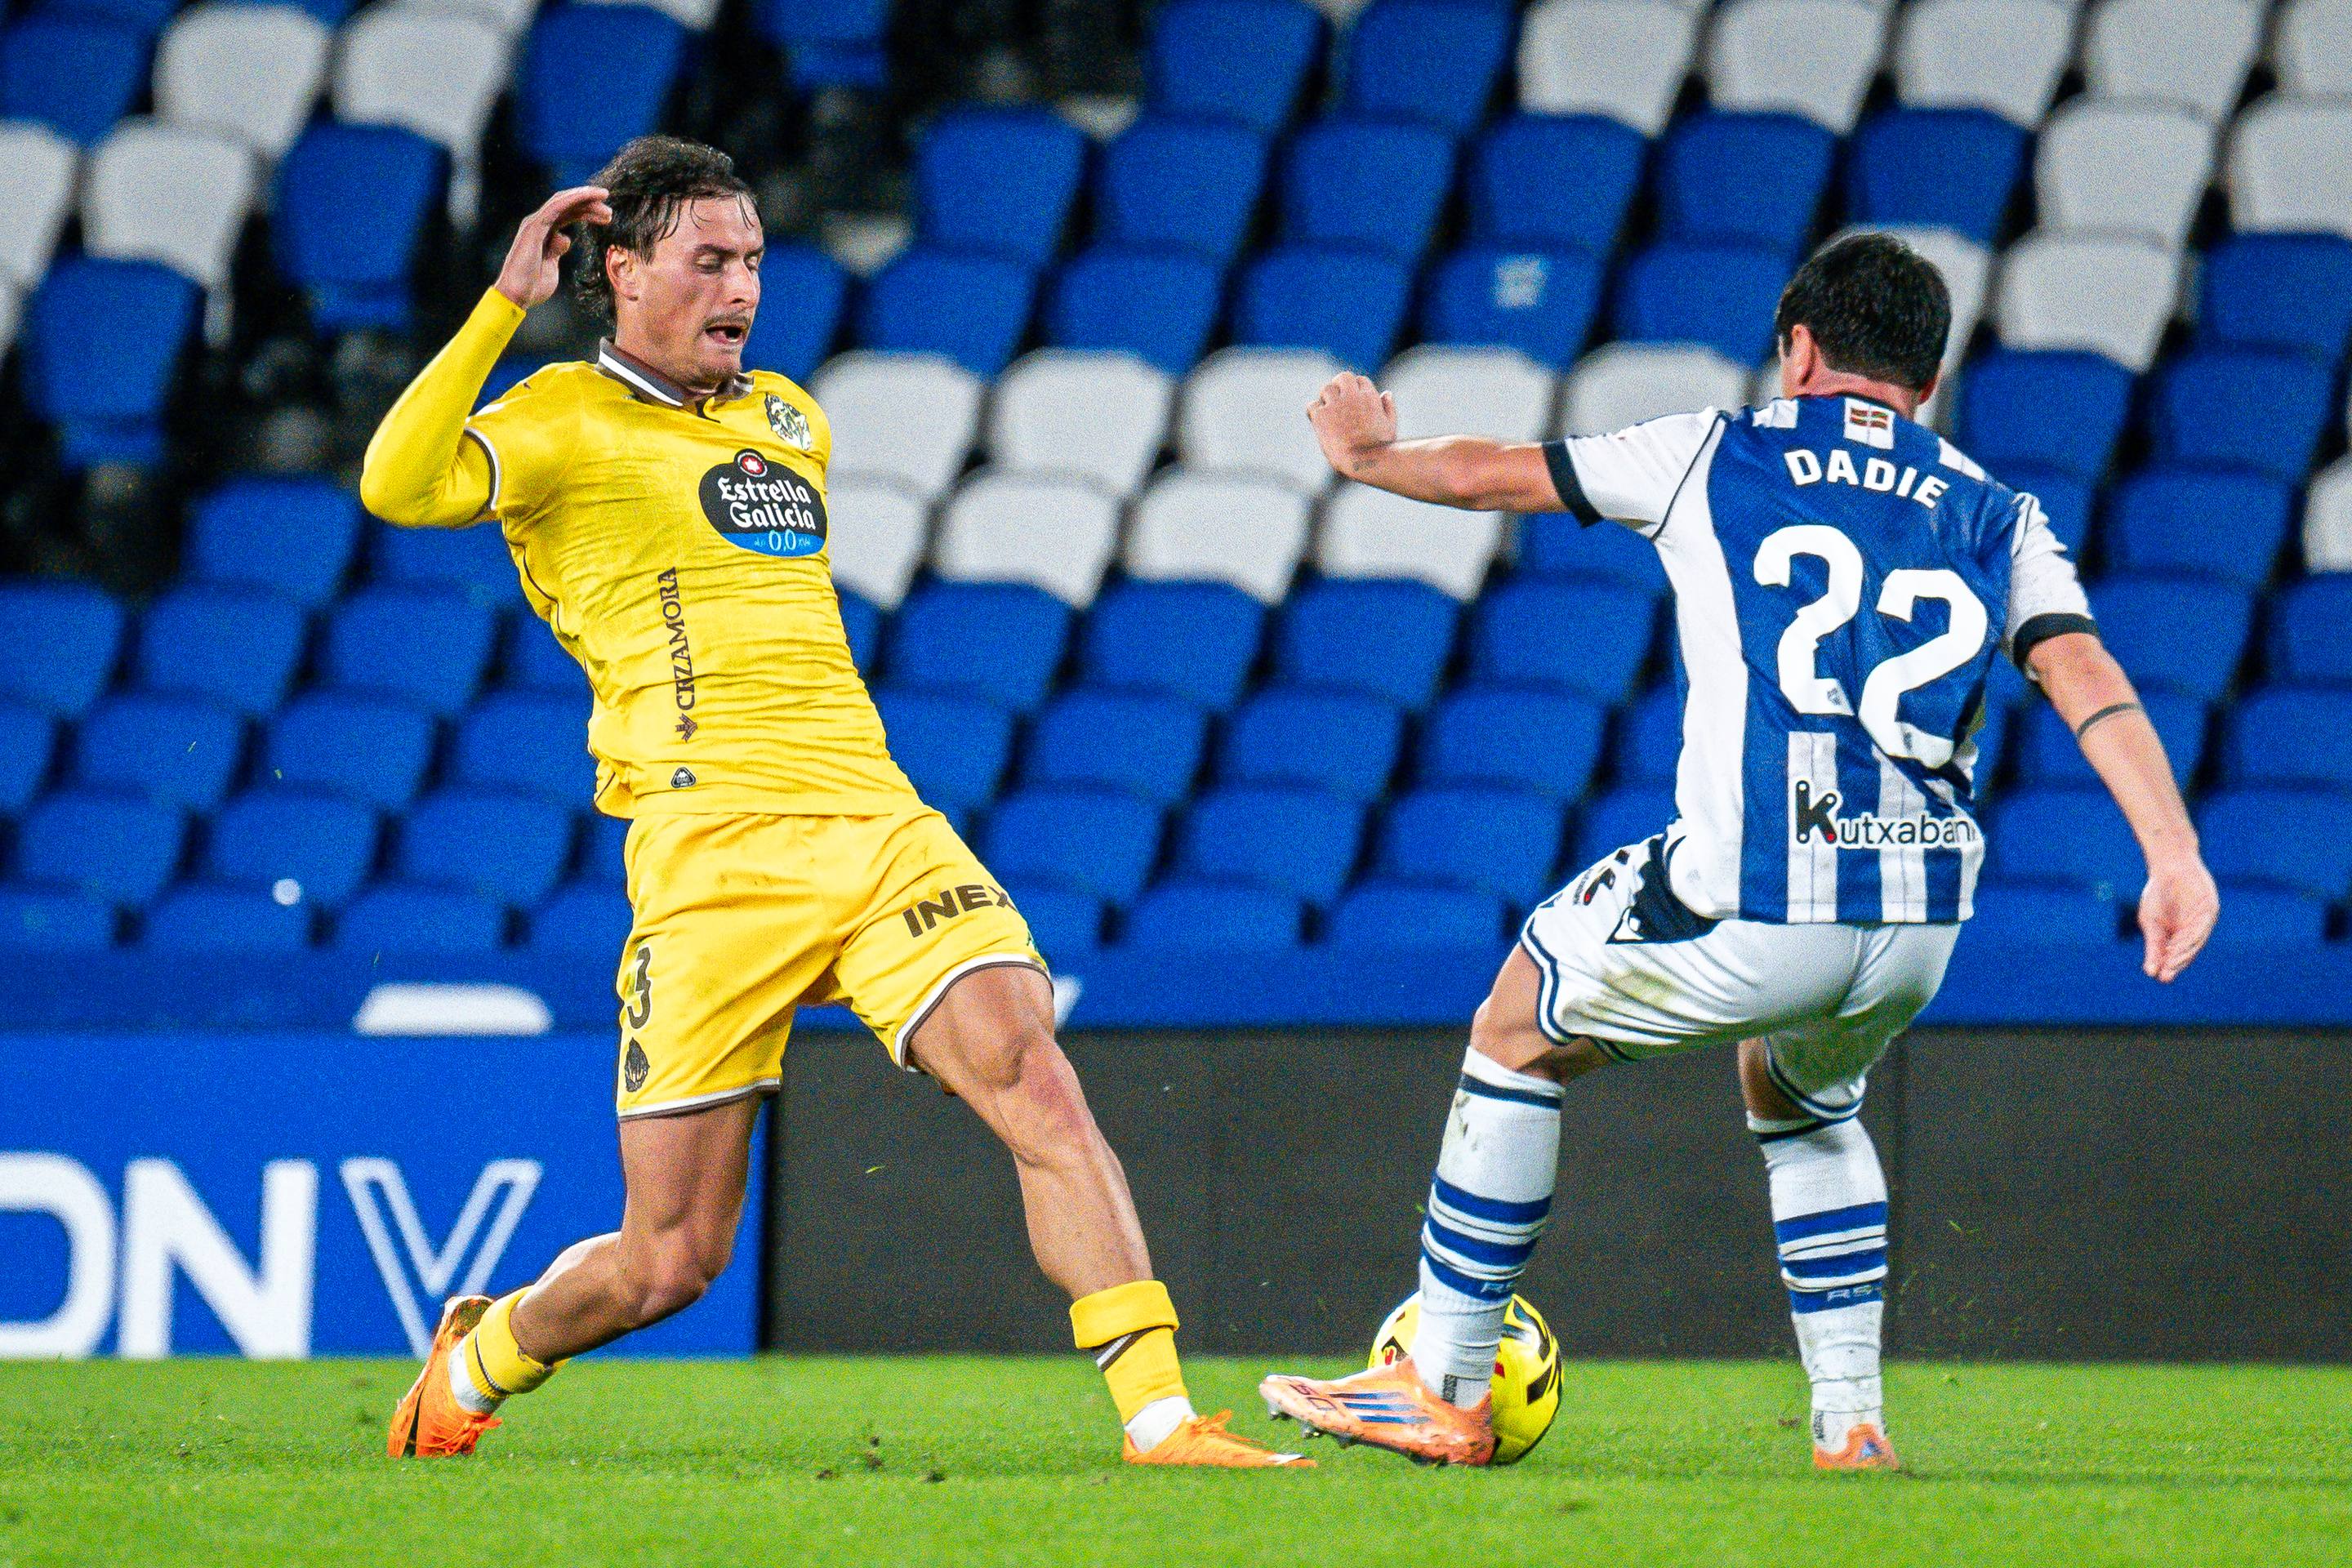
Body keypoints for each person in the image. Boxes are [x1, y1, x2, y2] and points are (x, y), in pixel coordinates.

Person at [362, 136, 1303, 1469]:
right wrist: (503, 307)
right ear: (622, 272)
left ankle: (1161, 1418)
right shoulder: (557, 417)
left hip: (874, 820)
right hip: (710, 852)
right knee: (670, 1262)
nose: (743, 287)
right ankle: (482, 1354)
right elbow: (397, 485)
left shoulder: (790, 417)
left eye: (753, 259)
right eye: (709, 260)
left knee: (1036, 1074)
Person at [1258, 233, 2220, 1469]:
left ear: (1800, 350)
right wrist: (2173, 854)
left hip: (1763, 892)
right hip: (1918, 922)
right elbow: (2082, 670)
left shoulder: (1716, 451)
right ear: (1929, 380)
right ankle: (1851, 1425)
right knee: (1801, 1096)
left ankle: (1439, 1382)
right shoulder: (1998, 511)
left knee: (1515, 1023)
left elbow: (1491, 477)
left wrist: (1367, 456)